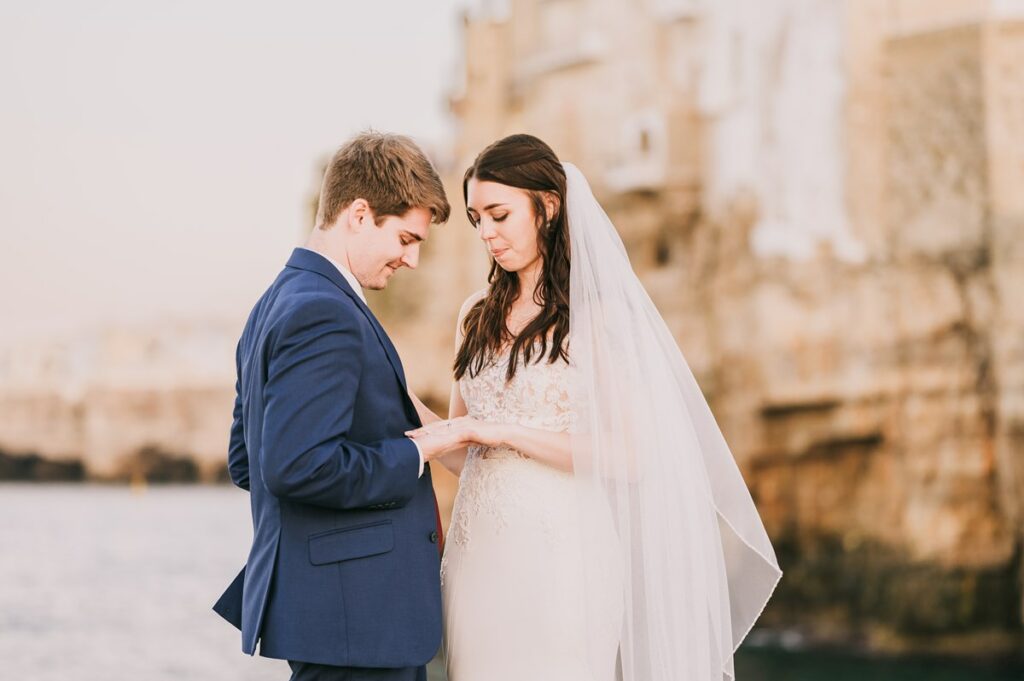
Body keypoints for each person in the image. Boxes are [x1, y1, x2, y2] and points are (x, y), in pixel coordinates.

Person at [407, 134, 783, 681]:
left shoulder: (596, 320)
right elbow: (463, 450)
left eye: (499, 214)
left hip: (566, 560)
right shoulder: (474, 316)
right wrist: (394, 393)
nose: (486, 232)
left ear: (548, 207)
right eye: (476, 218)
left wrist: (503, 431)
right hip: (478, 559)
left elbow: (627, 457)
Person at [212, 131, 464, 681]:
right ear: (358, 214)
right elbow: (295, 466)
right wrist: (419, 451)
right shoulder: (326, 311)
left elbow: (246, 460)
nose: (412, 259)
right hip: (358, 623)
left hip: (336, 619)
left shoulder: (276, 301)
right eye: (404, 238)